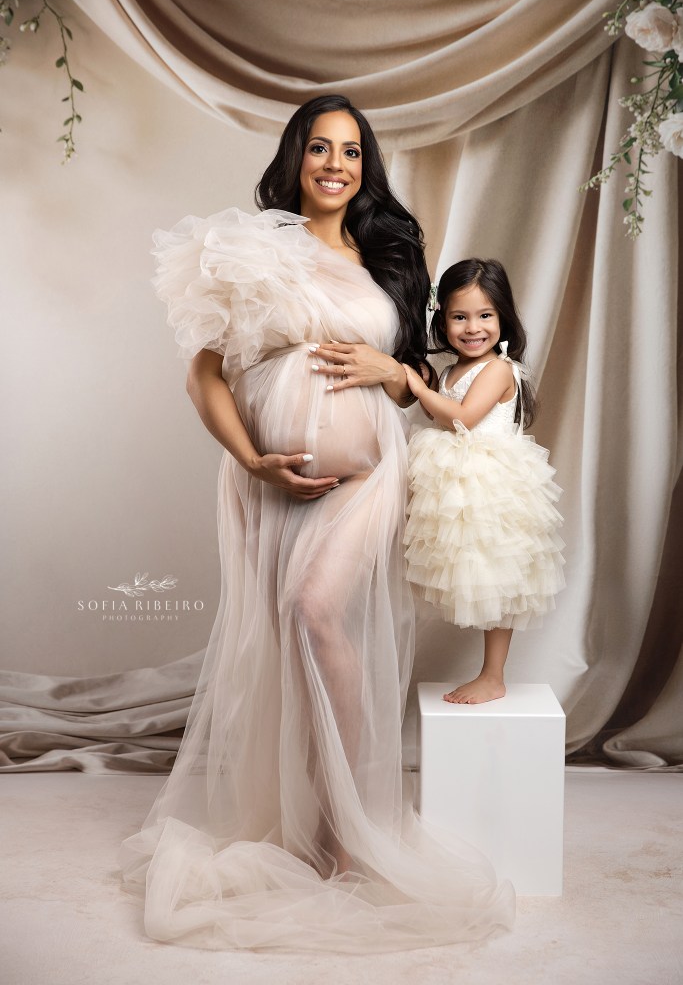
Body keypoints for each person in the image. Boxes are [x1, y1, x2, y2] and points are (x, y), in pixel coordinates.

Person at [118, 97, 514, 952]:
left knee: (315, 608)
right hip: (272, 483)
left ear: (365, 166)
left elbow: (409, 378)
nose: (336, 164)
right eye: (321, 148)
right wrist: (251, 458)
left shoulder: (388, 260)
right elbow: (203, 377)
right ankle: (306, 822)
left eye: (351, 152)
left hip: (369, 476)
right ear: (296, 156)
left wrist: (391, 371)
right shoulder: (256, 250)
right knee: (289, 639)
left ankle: (347, 828)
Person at [403, 259, 566, 706]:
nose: (473, 328)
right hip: (459, 481)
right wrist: (427, 384)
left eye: (485, 315)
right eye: (459, 316)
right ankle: (488, 673)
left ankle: (493, 676)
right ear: (442, 320)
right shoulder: (452, 369)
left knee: (501, 575)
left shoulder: (498, 368)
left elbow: (463, 417)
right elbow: (439, 411)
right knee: (474, 569)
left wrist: (418, 388)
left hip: (492, 482)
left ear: (502, 316)